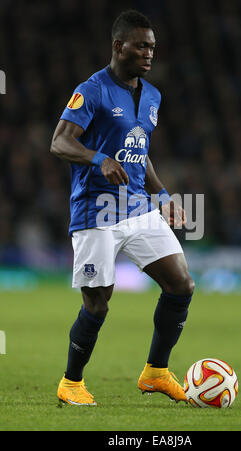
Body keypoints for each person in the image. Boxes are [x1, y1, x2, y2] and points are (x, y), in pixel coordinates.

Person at [50, 9, 195, 406]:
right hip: (95, 212)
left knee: (181, 284)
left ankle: (156, 372)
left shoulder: (152, 95)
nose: (149, 53)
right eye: (142, 45)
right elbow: (60, 142)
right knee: (98, 303)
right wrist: (99, 159)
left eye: (153, 47)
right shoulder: (91, 90)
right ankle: (71, 383)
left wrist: (163, 196)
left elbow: (140, 151)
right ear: (119, 46)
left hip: (137, 208)